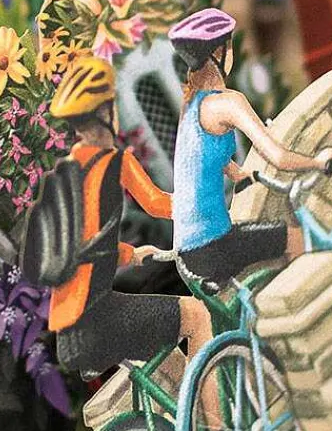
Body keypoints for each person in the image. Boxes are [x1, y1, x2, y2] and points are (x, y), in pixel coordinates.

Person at [44, 57, 214, 386]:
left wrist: (130, 254)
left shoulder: (64, 175)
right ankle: (217, 420)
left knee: (172, 364)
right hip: (100, 315)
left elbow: (79, 243)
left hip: (69, 330)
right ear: (108, 112)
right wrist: (207, 203)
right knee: (197, 316)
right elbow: (159, 204)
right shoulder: (115, 162)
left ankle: (188, 414)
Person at [168, 8, 332, 289]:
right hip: (212, 245)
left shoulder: (191, 103)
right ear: (219, 53)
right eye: (230, 46)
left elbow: (202, 157)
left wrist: (237, 174)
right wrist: (317, 162)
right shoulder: (228, 102)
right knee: (296, 239)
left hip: (190, 249)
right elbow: (278, 157)